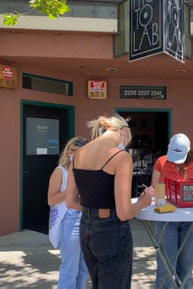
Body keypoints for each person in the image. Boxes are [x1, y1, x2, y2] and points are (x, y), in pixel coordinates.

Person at [65, 115, 154, 289]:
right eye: (127, 140)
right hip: (111, 231)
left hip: (86, 228)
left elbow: (70, 201)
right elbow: (124, 212)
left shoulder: (78, 154)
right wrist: (143, 202)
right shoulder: (121, 157)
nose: (126, 144)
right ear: (123, 132)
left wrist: (94, 212)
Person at [151, 133, 193, 289]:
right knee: (165, 267)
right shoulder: (161, 162)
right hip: (166, 218)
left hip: (192, 220)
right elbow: (154, 188)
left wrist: (188, 196)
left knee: (186, 268)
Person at [47, 136, 89, 289]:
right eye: (75, 153)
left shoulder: (87, 171)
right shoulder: (60, 172)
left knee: (84, 269)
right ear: (68, 153)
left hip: (86, 218)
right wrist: (70, 191)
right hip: (69, 219)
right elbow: (51, 200)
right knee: (70, 269)